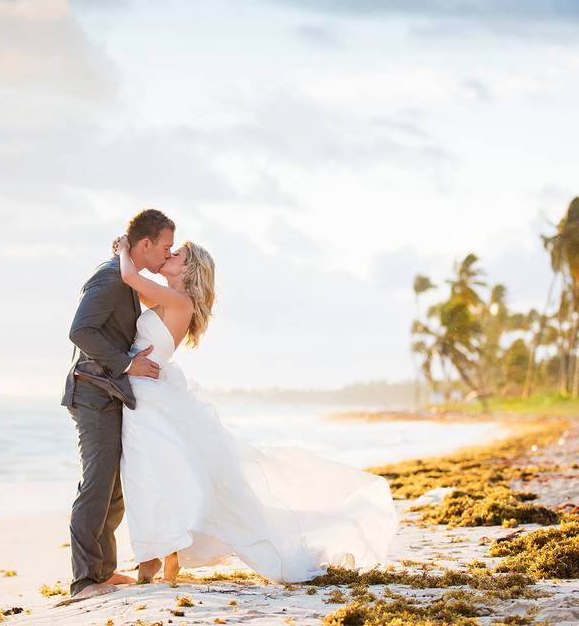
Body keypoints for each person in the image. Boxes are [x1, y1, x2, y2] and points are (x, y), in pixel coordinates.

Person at [111, 233, 399, 585]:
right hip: (147, 389)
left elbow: (128, 277)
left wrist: (123, 249)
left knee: (150, 473)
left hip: (149, 392)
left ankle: (157, 557)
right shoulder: (170, 297)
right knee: (153, 473)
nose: (169, 254)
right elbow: (133, 285)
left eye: (178, 253)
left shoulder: (179, 300)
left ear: (189, 269)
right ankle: (159, 556)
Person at [60, 209, 176, 601]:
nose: (167, 254)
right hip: (91, 392)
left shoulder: (127, 277)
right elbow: (81, 331)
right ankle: (83, 581)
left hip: (111, 393)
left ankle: (103, 572)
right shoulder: (112, 278)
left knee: (113, 488)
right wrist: (128, 363)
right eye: (165, 246)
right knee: (97, 483)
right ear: (145, 244)